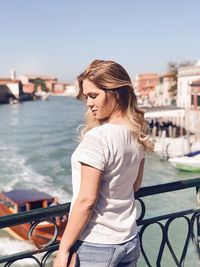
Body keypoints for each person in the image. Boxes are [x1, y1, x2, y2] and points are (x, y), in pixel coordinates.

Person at [53, 59, 153, 267]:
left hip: (96, 245)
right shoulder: (137, 134)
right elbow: (134, 186)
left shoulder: (98, 138)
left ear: (115, 93)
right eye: (86, 97)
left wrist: (63, 250)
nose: (88, 103)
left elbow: (87, 201)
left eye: (93, 95)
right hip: (129, 241)